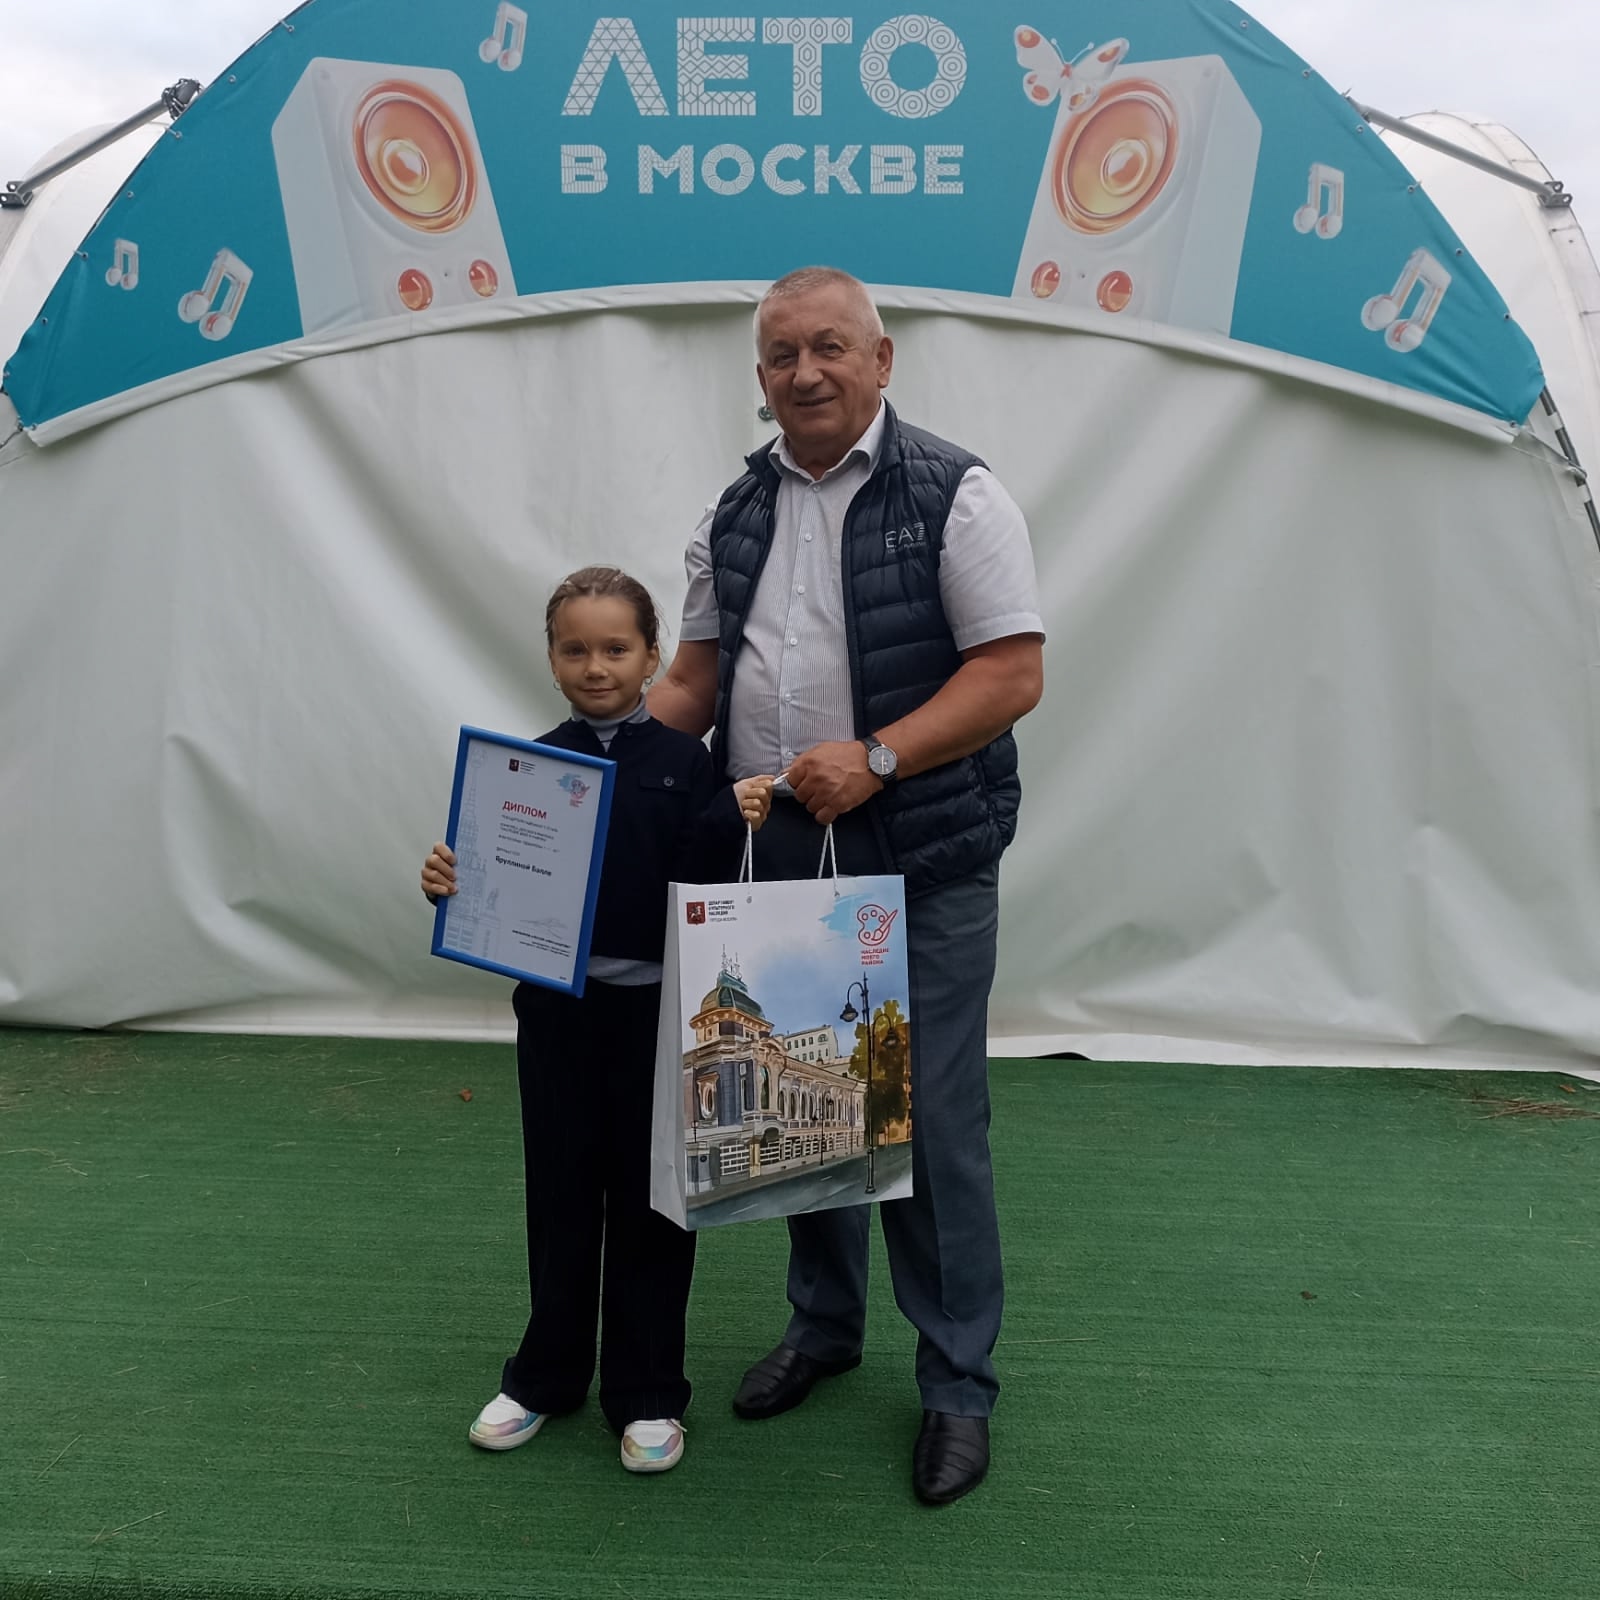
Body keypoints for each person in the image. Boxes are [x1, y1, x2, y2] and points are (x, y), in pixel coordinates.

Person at [649, 266, 1045, 1507]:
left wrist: (875, 759)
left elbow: (1010, 673)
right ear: (759, 377)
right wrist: (581, 767)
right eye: (782, 355)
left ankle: (956, 1383)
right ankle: (823, 1327)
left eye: (829, 346)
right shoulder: (734, 509)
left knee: (927, 1120)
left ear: (882, 358)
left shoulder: (956, 493)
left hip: (919, 853)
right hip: (778, 852)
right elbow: (692, 682)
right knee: (810, 1106)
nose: (805, 372)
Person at [422, 565, 773, 1475]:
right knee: (562, 1193)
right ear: (550, 659)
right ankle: (544, 1377)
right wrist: (453, 882)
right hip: (559, 1019)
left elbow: (704, 888)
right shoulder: (526, 770)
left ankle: (648, 1392)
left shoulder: (691, 766)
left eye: (617, 647)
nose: (596, 666)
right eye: (574, 649)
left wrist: (731, 818)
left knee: (656, 1202)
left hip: (659, 1019)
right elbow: (495, 887)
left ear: (653, 657)